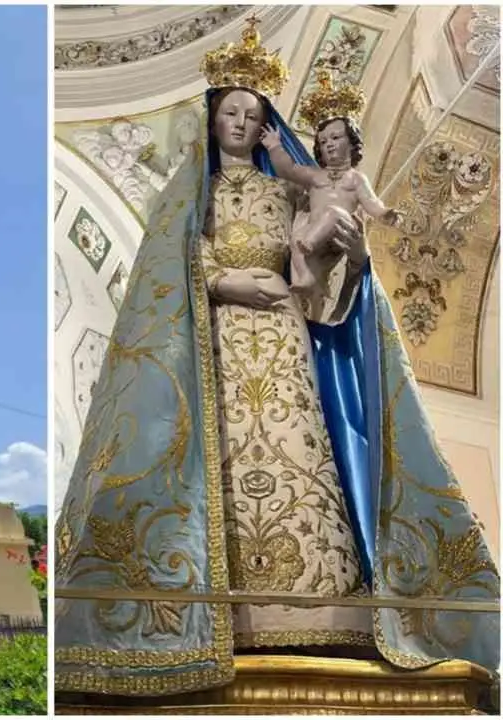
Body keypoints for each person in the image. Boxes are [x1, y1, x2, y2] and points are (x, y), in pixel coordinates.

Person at [54, 18, 499, 698]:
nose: (238, 122)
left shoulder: (284, 190)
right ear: (210, 119)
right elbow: (165, 271)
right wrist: (218, 280)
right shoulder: (190, 197)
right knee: (222, 458)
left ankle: (317, 596)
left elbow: (316, 286)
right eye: (230, 111)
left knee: (297, 447)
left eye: (252, 114)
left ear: (266, 124)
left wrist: (347, 255)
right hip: (219, 345)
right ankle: (214, 598)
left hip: (285, 337)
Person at [260, 70, 400, 296]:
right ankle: (304, 275)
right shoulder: (316, 176)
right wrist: (274, 146)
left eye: (336, 138)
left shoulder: (355, 178)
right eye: (323, 142)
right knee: (295, 238)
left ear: (352, 143)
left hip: (340, 232)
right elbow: (287, 169)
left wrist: (385, 213)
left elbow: (371, 202)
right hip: (311, 234)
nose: (329, 145)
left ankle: (309, 245)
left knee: (333, 212)